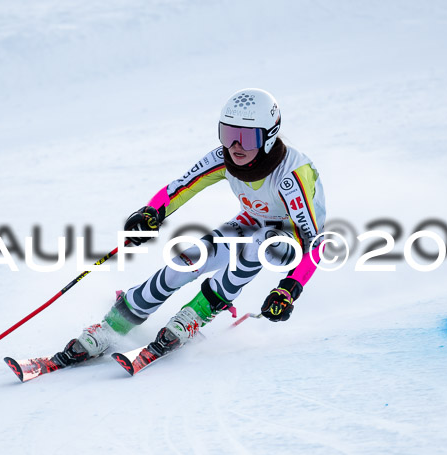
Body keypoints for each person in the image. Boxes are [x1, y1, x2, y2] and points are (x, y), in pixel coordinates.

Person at [53, 88, 326, 368]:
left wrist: (290, 288)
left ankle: (195, 315)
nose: (235, 146)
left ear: (269, 135)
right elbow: (181, 188)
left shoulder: (291, 176)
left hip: (289, 239)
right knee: (186, 262)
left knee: (261, 242)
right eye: (228, 134)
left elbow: (315, 243)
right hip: (252, 221)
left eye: (247, 137)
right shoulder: (226, 158)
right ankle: (114, 326)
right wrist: (151, 213)